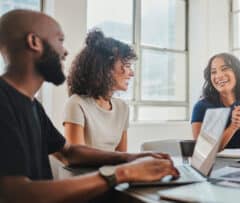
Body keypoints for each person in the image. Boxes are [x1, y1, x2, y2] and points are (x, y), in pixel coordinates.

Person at [0, 9, 178, 202]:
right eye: (59, 40)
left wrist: (130, 158)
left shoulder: (32, 105)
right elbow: (15, 194)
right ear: (34, 42)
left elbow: (68, 152)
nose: (65, 51)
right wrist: (122, 173)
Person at [64, 30, 134, 152]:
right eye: (127, 66)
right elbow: (77, 158)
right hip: (85, 172)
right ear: (106, 68)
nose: (131, 73)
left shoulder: (123, 108)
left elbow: (122, 157)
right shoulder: (77, 104)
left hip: (114, 171)